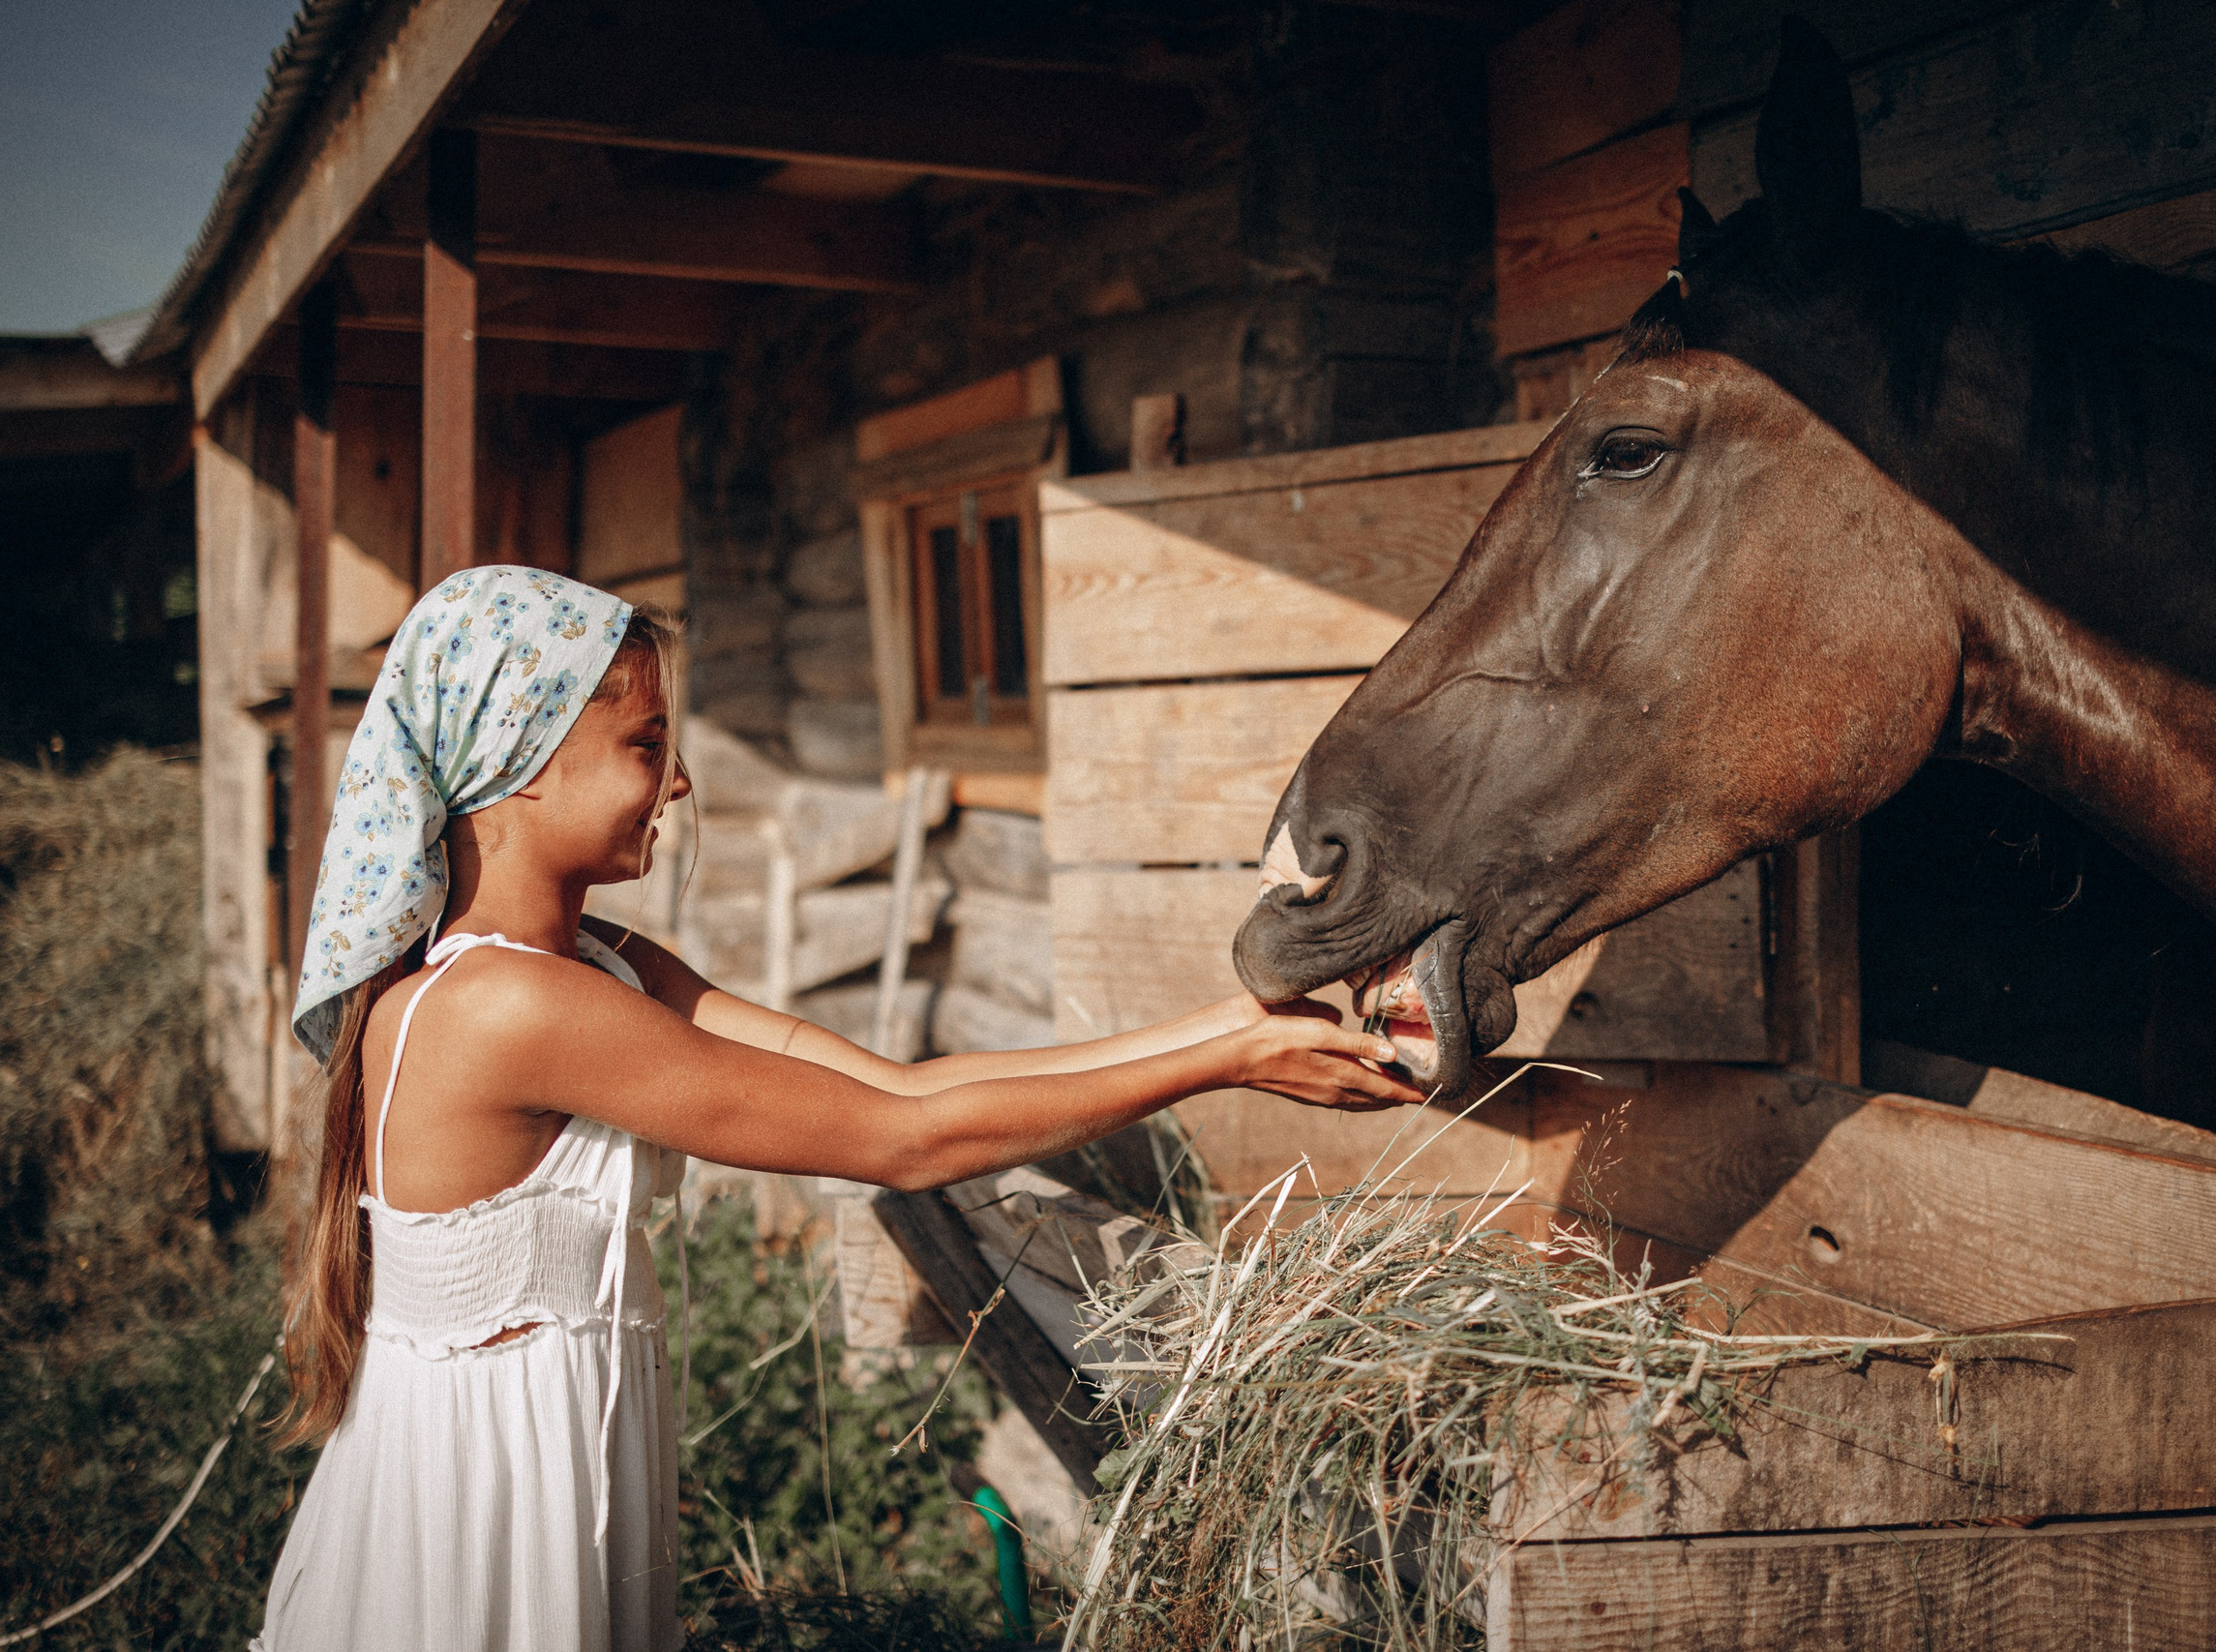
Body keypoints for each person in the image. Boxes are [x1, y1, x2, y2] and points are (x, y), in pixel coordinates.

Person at [252, 566, 1417, 1651]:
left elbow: (893, 1086)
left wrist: (1234, 1027)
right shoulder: (509, 1005)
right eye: (644, 743)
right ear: (520, 760)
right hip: (482, 1500)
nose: (680, 779)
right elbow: (900, 1144)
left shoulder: (598, 966)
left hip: (545, 1454)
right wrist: (1222, 1065)